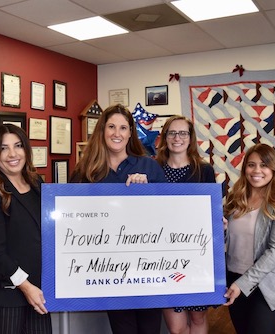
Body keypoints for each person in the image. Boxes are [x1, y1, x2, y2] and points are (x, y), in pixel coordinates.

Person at [70, 104, 167, 334]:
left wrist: (148, 189)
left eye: (123, 128)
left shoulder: (148, 166)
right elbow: (72, 215)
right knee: (122, 329)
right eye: (111, 126)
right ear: (102, 130)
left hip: (147, 266)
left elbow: (168, 213)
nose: (117, 133)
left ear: (130, 133)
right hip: (107, 267)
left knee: (150, 329)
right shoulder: (86, 169)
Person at [0, 124, 52, 334]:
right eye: (3, 148)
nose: (13, 154)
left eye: (18, 146)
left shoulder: (35, 182)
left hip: (37, 289)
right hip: (3, 294)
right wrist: (26, 287)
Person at [223, 143, 275, 334]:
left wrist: (243, 284)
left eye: (264, 165)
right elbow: (228, 239)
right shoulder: (235, 199)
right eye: (251, 165)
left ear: (273, 169)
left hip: (267, 282)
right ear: (245, 169)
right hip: (233, 277)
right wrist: (222, 229)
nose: (257, 170)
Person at [155, 115, 215, 334]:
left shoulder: (204, 170)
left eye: (182, 133)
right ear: (165, 137)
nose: (177, 138)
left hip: (196, 256)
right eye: (172, 132)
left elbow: (211, 208)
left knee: (198, 318)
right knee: (177, 328)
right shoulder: (154, 169)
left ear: (190, 138)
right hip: (164, 256)